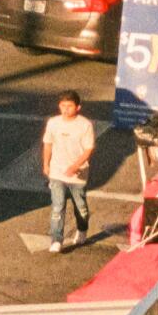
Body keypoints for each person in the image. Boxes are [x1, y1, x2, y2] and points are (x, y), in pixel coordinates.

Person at [41, 89, 96, 254]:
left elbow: (88, 149)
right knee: (57, 206)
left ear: (78, 107)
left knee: (81, 207)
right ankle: (56, 239)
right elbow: (48, 144)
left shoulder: (85, 125)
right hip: (57, 171)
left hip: (78, 174)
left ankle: (82, 229)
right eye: (63, 106)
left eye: (69, 106)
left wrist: (75, 166)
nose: (65, 109)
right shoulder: (53, 123)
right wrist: (46, 164)